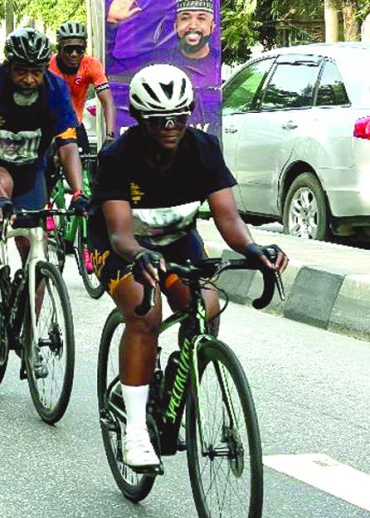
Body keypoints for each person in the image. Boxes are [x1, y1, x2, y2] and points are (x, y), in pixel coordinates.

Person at [88, 64, 287, 468]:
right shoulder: (117, 157)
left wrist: (252, 249)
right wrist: (139, 255)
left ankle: (184, 363)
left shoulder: (203, 148)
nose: (170, 127)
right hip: (122, 246)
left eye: (179, 117)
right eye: (159, 119)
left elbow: (228, 218)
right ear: (140, 118)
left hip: (177, 240)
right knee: (145, 314)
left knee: (207, 305)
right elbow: (121, 234)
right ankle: (136, 431)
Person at [0, 28, 84, 315]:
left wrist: (78, 193)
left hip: (28, 167)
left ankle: (28, 331)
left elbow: (67, 144)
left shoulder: (55, 90)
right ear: (8, 67)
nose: (29, 79)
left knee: (35, 248)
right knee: (3, 183)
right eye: (22, 71)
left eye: (36, 72)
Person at [49, 21, 116, 151]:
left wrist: (109, 137)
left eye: (79, 49)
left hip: (75, 125)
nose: (74, 54)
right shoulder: (47, 66)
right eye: (69, 49)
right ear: (59, 49)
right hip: (49, 127)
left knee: (86, 160)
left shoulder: (91, 65)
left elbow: (107, 102)